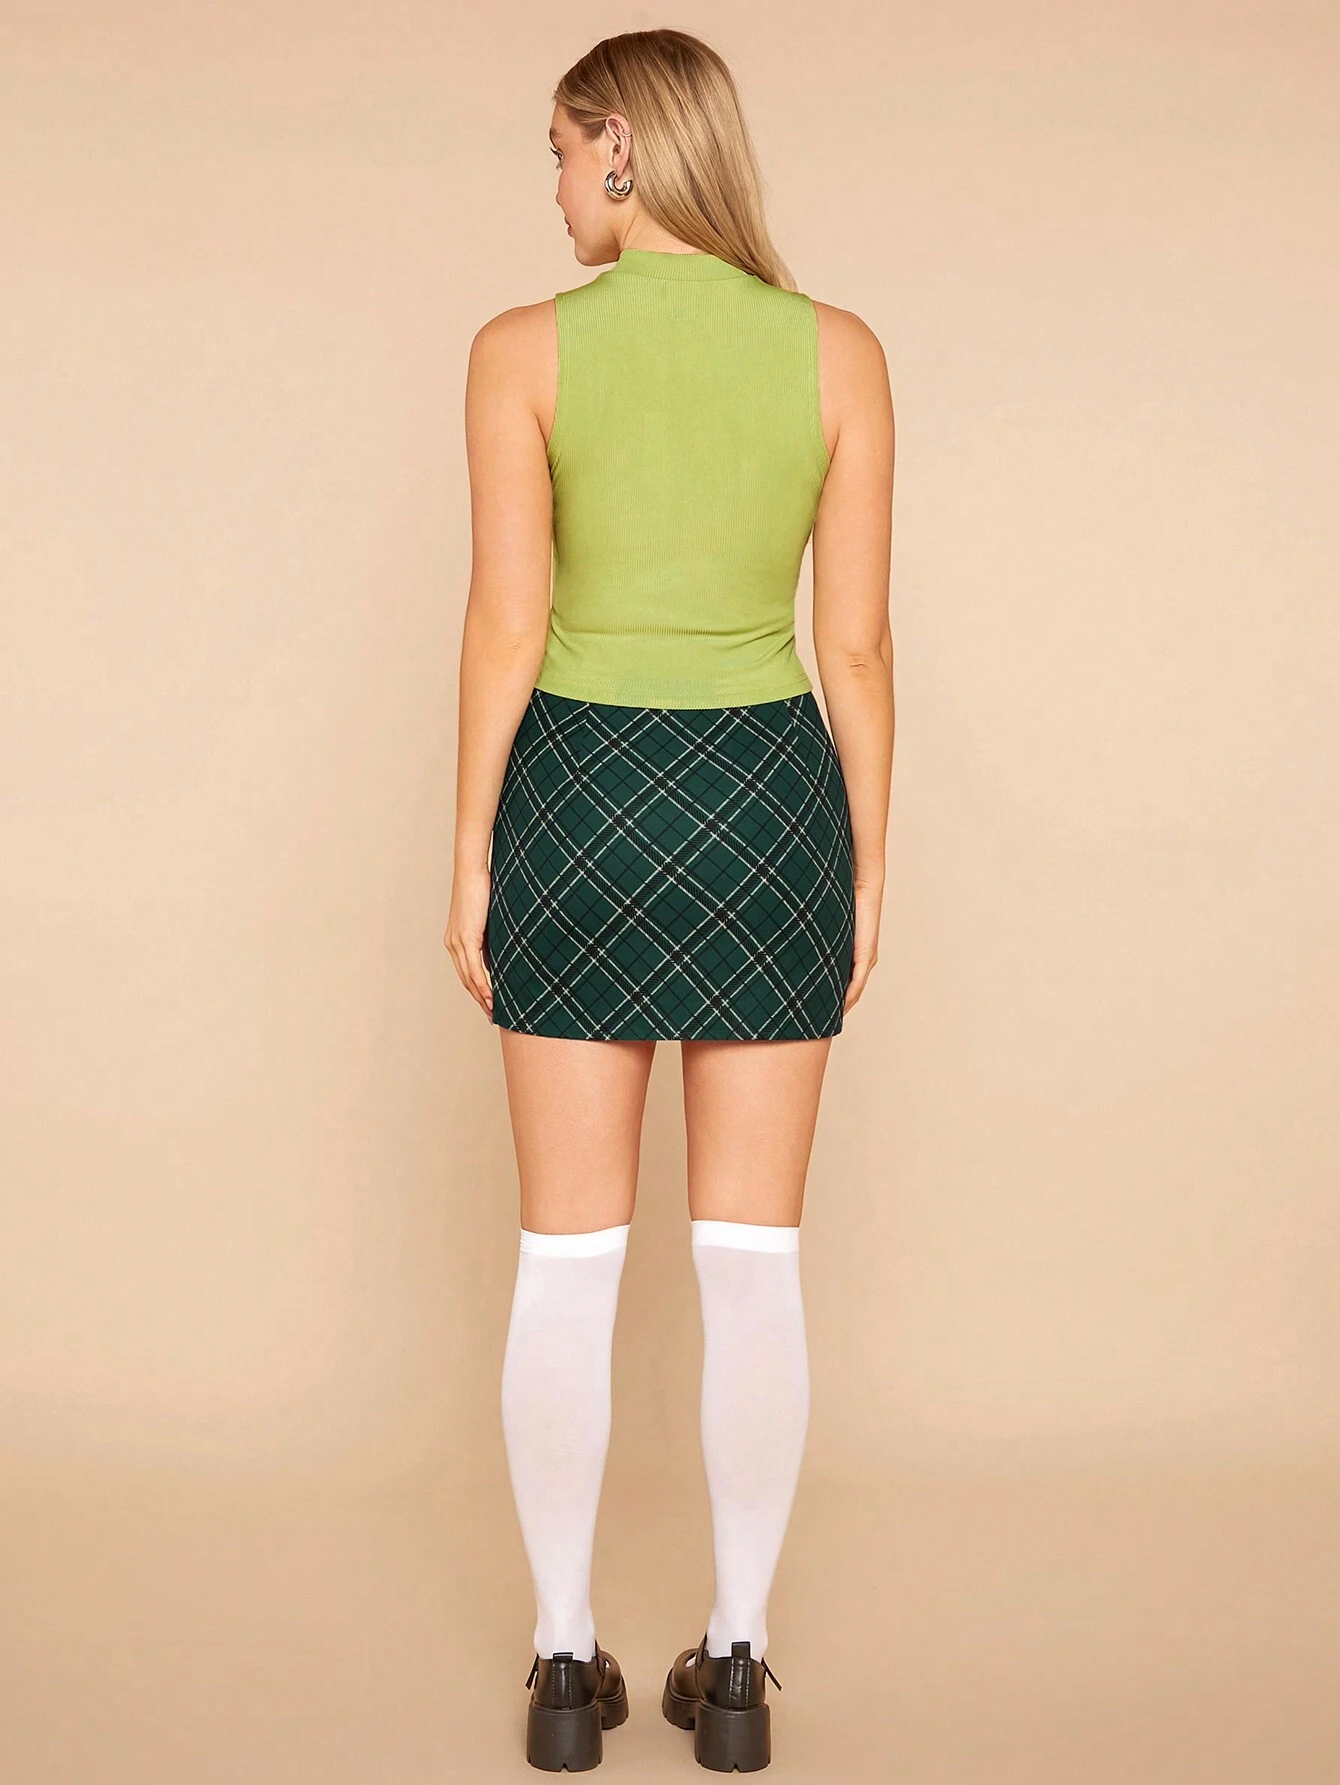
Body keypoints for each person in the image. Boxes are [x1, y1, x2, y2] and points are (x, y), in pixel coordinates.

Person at [444, 28, 894, 1773]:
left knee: (566, 1259)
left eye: (562, 153)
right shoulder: (840, 353)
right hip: (768, 802)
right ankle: (739, 1668)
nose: (555, 188)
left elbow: (506, 623)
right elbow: (855, 647)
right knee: (752, 1259)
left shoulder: (518, 353)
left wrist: (474, 849)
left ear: (622, 148)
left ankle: (566, 1666)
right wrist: (865, 863)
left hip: (579, 796)